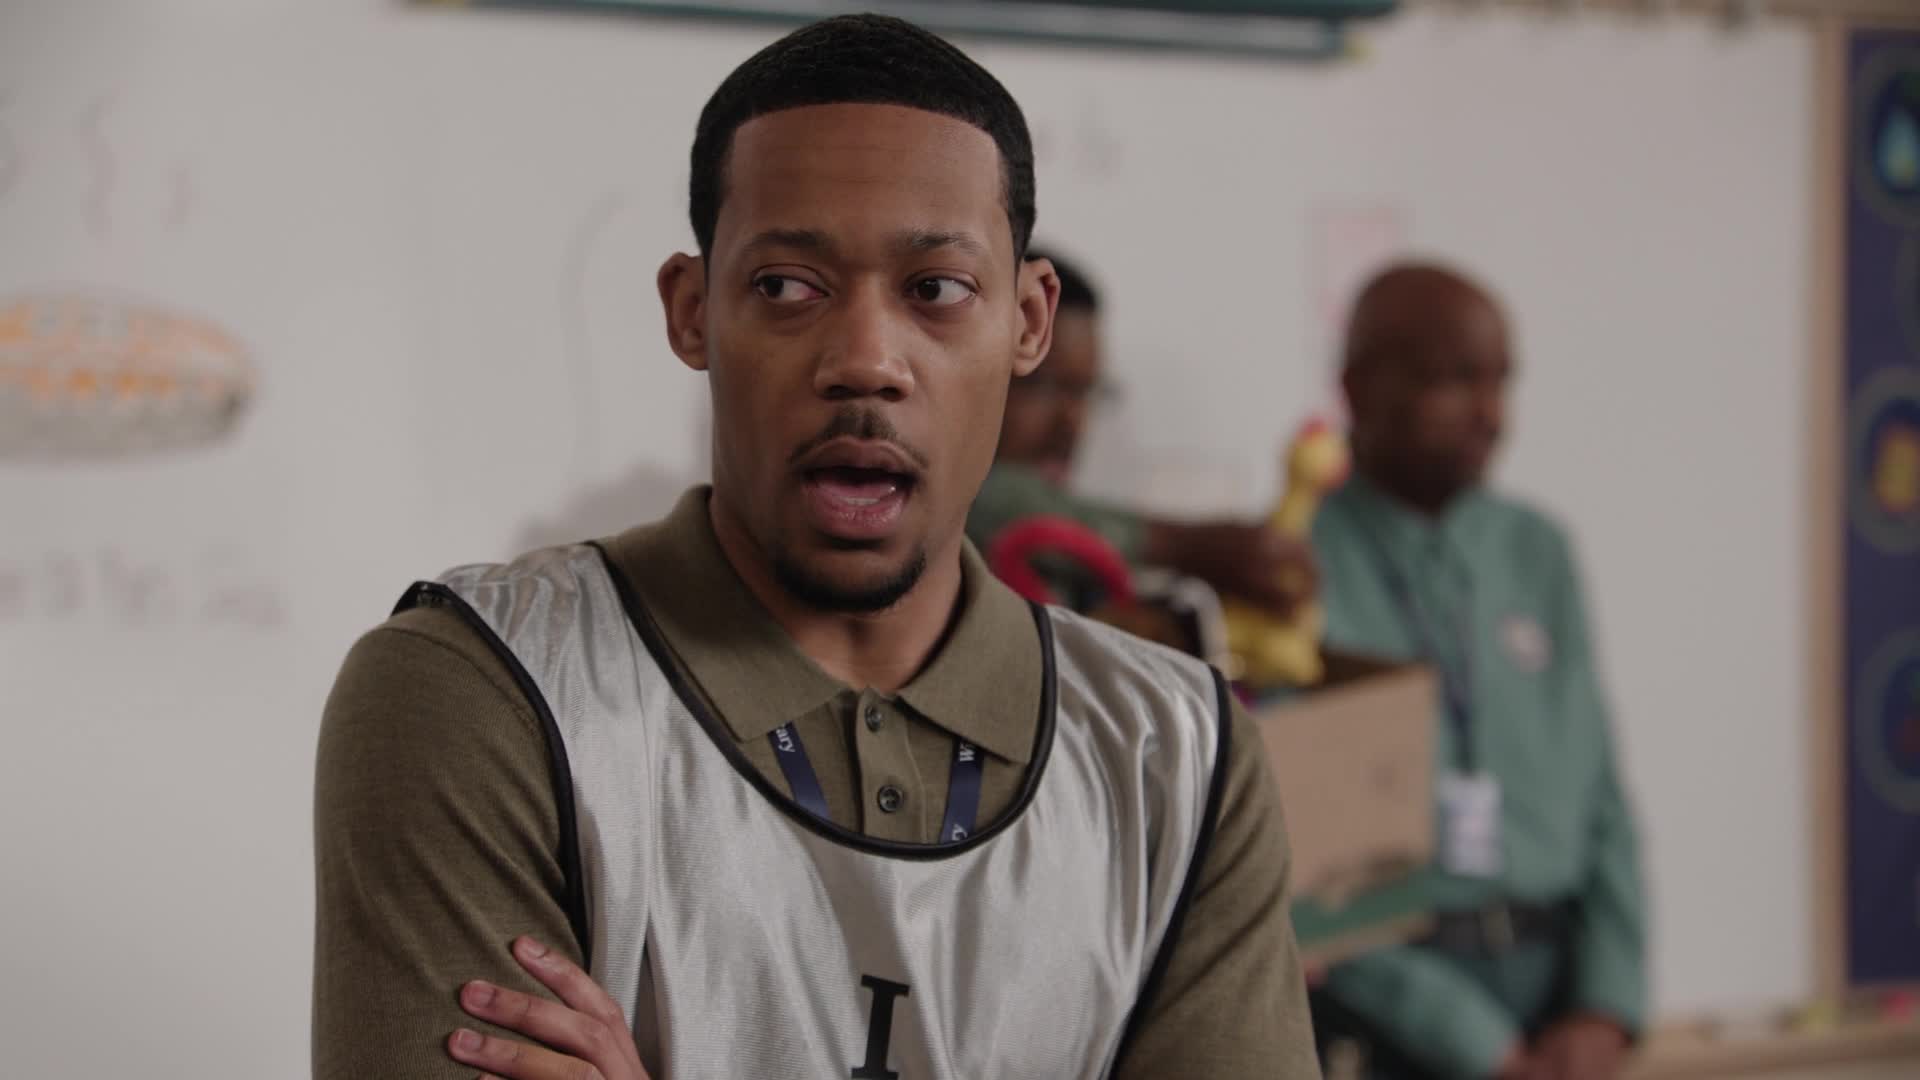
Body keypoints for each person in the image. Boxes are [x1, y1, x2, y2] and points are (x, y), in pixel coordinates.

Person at [311, 15, 1320, 1080]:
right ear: (692, 311)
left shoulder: (1179, 757)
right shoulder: (485, 691)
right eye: (788, 286)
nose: (866, 360)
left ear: (1028, 321)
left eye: (936, 290)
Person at [1308, 263, 1646, 1080]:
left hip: (1559, 1007)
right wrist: (1480, 1049)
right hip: (1390, 1020)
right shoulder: (1293, 567)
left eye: (1502, 381)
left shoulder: (1538, 551)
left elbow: (1603, 798)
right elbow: (1305, 875)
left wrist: (1606, 1007)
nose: (1492, 414)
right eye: (1455, 379)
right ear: (1358, 389)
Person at [966, 248, 1315, 616]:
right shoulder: (958, 502)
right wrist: (1194, 548)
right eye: (1043, 385)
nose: (1073, 421)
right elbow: (997, 499)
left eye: (1085, 392)